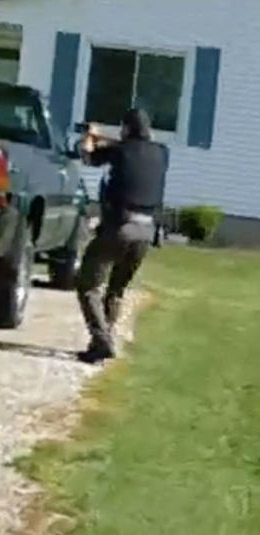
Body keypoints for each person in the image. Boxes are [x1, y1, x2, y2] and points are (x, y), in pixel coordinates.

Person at [76, 108, 168, 364]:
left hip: (120, 226)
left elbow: (88, 157)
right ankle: (102, 343)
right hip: (147, 231)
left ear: (126, 128)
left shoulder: (118, 151)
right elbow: (133, 150)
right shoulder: (160, 153)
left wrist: (90, 137)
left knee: (88, 285)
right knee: (116, 289)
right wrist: (103, 138)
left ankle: (102, 339)